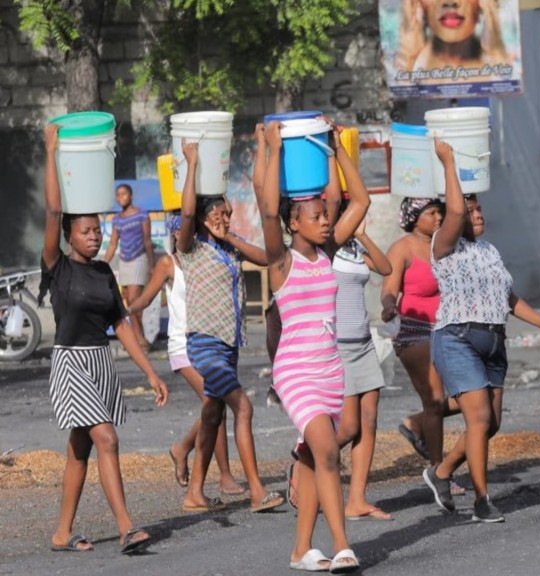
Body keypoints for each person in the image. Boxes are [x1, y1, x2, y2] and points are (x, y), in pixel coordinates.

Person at [41, 123, 168, 555]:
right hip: (71, 363)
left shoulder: (104, 273)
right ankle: (127, 526)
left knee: (80, 448)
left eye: (98, 231)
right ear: (69, 237)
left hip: (100, 363)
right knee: (107, 439)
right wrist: (52, 152)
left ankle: (61, 531)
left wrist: (151, 372)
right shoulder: (57, 267)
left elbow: (123, 326)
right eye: (86, 231)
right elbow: (53, 211)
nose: (94, 236)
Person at [423, 139, 540, 523]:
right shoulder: (443, 245)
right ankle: (482, 500)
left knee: (491, 424)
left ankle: (440, 471)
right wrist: (449, 161)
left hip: (494, 342)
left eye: (479, 207)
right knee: (480, 419)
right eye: (470, 210)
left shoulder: (489, 250)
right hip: (458, 338)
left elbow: (509, 297)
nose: (476, 213)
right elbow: (453, 209)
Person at [256, 120, 366, 572]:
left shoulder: (330, 252)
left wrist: (336, 150)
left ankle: (301, 550)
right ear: (294, 222)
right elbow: (265, 210)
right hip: (295, 371)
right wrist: (273, 149)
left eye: (326, 215)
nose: (325, 221)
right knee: (327, 451)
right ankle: (343, 546)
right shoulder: (282, 261)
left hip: (329, 368)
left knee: (311, 453)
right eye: (317, 216)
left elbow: (359, 201)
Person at [176, 140, 284, 515]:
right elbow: (187, 213)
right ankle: (257, 491)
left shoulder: (228, 248)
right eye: (220, 214)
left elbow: (272, 258)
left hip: (228, 346)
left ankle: (193, 492)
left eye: (229, 212)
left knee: (213, 413)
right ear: (204, 219)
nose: (226, 218)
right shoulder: (189, 248)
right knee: (243, 407)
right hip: (205, 345)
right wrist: (192, 165)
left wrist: (232, 236)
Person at [126, 213, 244, 496]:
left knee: (216, 405)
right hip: (182, 345)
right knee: (214, 401)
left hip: (212, 340)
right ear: (176, 235)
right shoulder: (169, 263)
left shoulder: (207, 259)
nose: (187, 236)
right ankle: (211, 468)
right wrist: (124, 310)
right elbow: (144, 300)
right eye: (182, 232)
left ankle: (193, 456)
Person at [381, 197, 462, 472]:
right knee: (435, 400)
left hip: (448, 327)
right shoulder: (401, 249)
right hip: (415, 330)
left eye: (441, 212)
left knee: (478, 393)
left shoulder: (445, 246)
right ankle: (439, 469)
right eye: (432, 213)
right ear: (415, 217)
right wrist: (389, 306)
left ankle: (416, 423)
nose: (439, 218)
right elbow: (389, 289)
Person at [333, 218, 395, 521]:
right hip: (337, 345)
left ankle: (356, 500)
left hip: (363, 343)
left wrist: (363, 235)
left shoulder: (354, 247)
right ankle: (304, 459)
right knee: (348, 428)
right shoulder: (327, 246)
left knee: (369, 420)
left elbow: (385, 268)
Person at [398, 0, 512, 79]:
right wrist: (409, 59)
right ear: (415, 3)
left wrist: (496, 52)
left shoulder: (510, 67)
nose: (450, 2)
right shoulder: (400, 67)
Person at [104, 183, 154, 349]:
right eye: (118, 195)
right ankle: (138, 338)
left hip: (139, 259)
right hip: (124, 261)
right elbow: (112, 244)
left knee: (133, 301)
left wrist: (152, 265)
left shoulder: (142, 215)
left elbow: (147, 241)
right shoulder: (117, 220)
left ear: (130, 196)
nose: (120, 198)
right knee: (128, 301)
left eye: (123, 194)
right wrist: (103, 264)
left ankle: (139, 340)